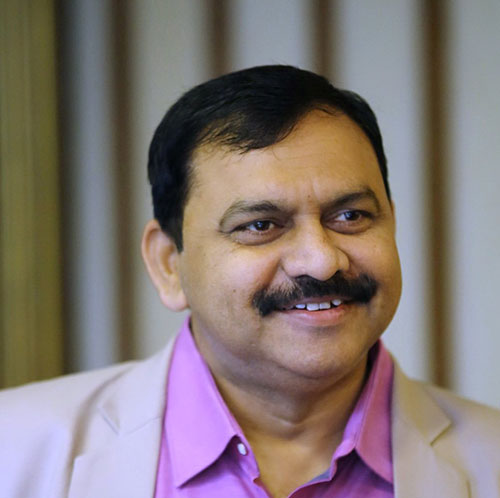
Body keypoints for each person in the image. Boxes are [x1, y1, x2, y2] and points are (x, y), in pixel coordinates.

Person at [1, 65, 499, 498]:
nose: (321, 261)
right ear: (168, 264)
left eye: (350, 216)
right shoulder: (15, 451)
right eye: (260, 225)